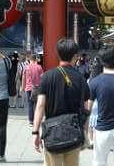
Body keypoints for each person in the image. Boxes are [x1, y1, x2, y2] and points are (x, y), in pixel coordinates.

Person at [32, 38, 90, 166]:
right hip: (73, 132)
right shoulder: (81, 79)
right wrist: (84, 133)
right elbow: (86, 109)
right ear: (75, 57)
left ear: (58, 54)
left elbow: (40, 105)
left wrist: (35, 132)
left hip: (52, 133)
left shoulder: (47, 76)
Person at [23, 54, 44, 126]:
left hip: (28, 88)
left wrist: (23, 87)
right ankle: (37, 120)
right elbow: (42, 78)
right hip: (37, 88)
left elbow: (23, 78)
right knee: (37, 104)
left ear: (30, 59)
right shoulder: (39, 67)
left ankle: (31, 121)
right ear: (35, 59)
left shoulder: (26, 67)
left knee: (30, 105)